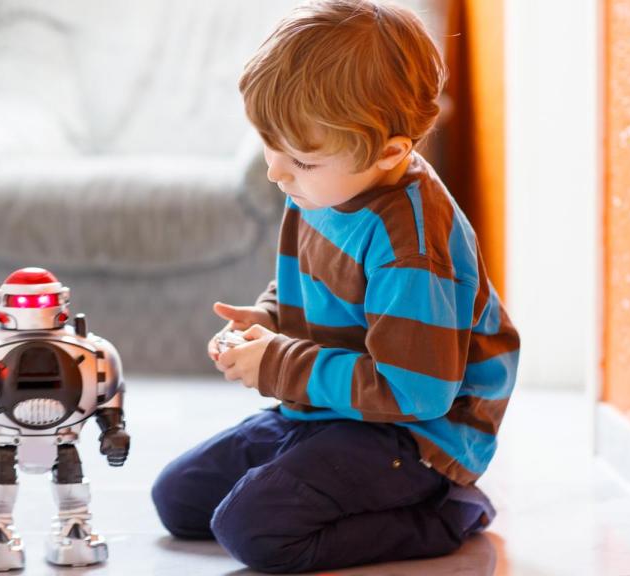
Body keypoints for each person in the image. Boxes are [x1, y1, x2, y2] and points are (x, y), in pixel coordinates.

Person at [150, 1, 520, 572]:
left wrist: (278, 364)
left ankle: (448, 511)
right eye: (268, 145)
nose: (276, 171)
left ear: (391, 151)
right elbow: (314, 280)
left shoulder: (412, 250)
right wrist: (270, 318)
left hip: (415, 440)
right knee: (179, 499)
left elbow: (416, 394)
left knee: (252, 530)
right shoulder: (321, 187)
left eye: (298, 157)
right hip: (335, 408)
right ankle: (319, 466)